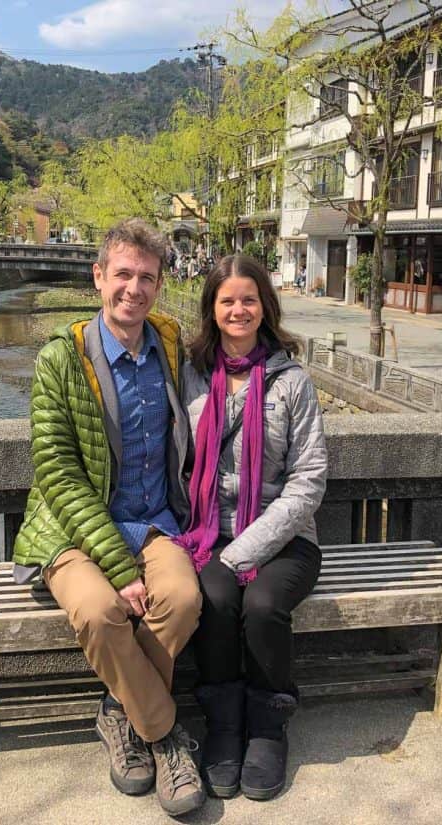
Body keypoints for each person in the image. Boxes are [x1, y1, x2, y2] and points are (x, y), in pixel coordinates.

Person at [11, 218, 205, 817]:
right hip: (70, 529)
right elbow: (59, 474)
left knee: (183, 599)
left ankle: (119, 713)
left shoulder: (170, 345)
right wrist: (120, 568)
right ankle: (166, 735)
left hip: (154, 521)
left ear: (159, 284)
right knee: (98, 610)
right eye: (123, 274)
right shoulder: (61, 360)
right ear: (98, 277)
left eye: (147, 277)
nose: (134, 288)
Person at [178, 253, 327, 802]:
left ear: (265, 305)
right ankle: (222, 722)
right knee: (214, 602)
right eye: (227, 300)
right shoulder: (193, 376)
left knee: (263, 605)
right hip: (207, 533)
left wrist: (246, 548)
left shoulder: (292, 382)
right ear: (211, 310)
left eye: (249, 299)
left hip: (286, 537)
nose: (238, 309)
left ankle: (268, 724)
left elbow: (309, 480)